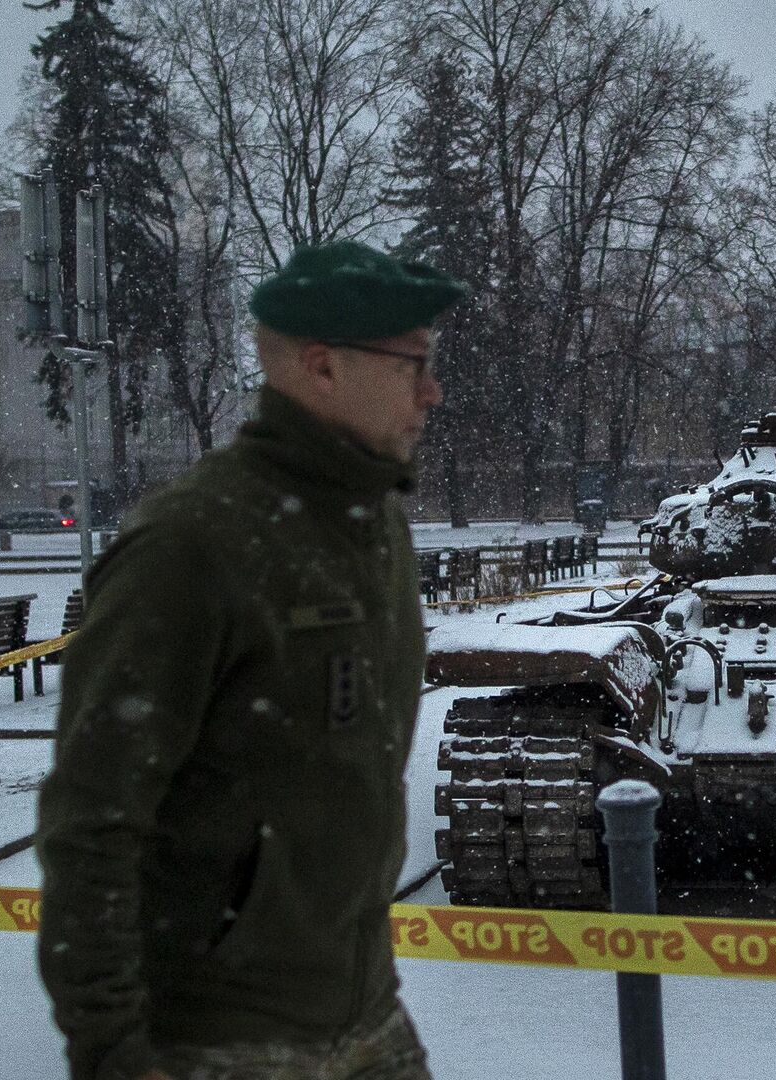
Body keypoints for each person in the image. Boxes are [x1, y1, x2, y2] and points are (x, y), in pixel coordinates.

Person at [36, 241, 466, 1080]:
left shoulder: (372, 522)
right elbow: (92, 821)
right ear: (321, 368)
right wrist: (113, 1052)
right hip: (221, 1039)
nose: (432, 390)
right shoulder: (194, 544)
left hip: (366, 1016)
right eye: (414, 362)